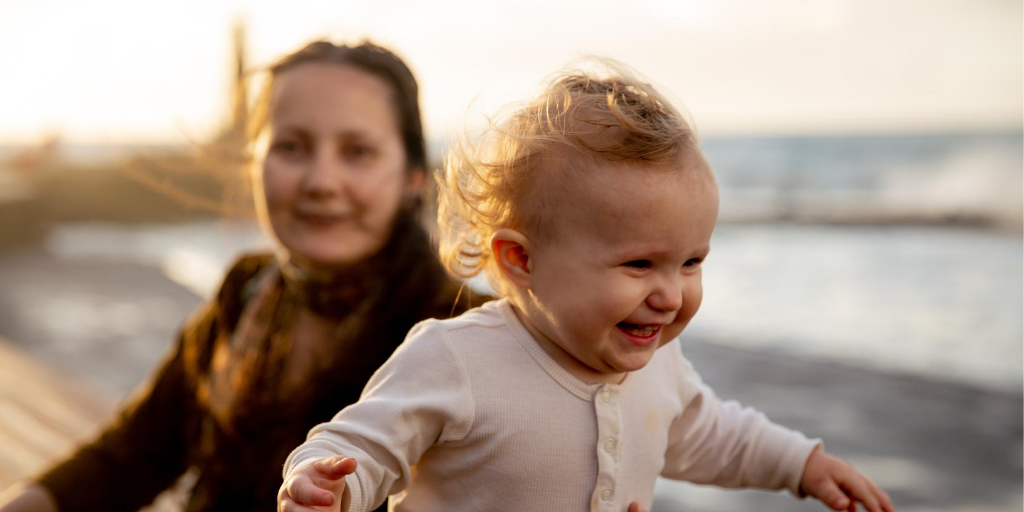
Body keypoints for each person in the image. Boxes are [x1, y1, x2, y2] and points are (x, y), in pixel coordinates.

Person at [277, 61, 897, 512]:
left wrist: (801, 464)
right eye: (638, 265)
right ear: (521, 259)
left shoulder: (660, 368)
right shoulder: (456, 359)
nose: (670, 294)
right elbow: (364, 442)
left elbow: (712, 435)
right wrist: (327, 484)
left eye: (690, 262)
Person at [0, 40, 477, 512]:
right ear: (255, 161)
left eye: (357, 152)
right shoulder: (246, 290)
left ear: (413, 175)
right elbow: (133, 455)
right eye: (291, 147)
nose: (321, 182)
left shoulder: (467, 332)